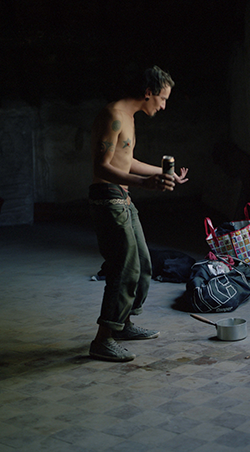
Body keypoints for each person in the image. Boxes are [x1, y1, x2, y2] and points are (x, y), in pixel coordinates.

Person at [88, 65, 189, 362]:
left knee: (143, 263)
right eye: (163, 98)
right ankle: (103, 338)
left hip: (123, 198)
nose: (164, 105)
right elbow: (101, 167)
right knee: (125, 267)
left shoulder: (129, 118)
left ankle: (124, 324)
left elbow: (126, 161)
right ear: (148, 93)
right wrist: (146, 183)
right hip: (108, 200)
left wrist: (161, 173)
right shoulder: (113, 116)